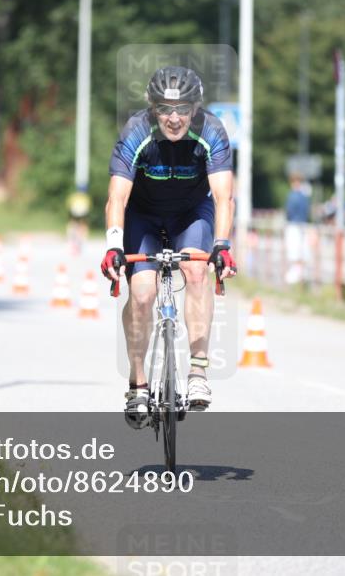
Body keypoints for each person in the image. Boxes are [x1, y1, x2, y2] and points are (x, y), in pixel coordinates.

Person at [101, 66, 236, 427]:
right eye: (164, 109)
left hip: (191, 213)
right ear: (152, 109)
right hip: (143, 215)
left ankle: (197, 373)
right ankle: (138, 383)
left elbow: (224, 198)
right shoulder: (136, 131)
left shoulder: (211, 130)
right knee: (142, 293)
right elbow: (117, 197)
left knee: (195, 269)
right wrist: (114, 245)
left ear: (195, 108)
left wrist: (221, 246)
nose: (173, 119)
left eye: (182, 109)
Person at [283, 174, 311, 284]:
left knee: (293, 250)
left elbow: (289, 211)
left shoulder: (292, 196)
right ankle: (301, 274)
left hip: (293, 225)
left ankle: (294, 276)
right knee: (302, 250)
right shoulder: (305, 196)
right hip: (303, 224)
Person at [66, 189, 91, 255]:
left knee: (74, 223)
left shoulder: (74, 196)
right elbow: (89, 206)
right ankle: (81, 239)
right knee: (82, 224)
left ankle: (74, 239)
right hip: (82, 212)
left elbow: (69, 205)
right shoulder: (85, 197)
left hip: (75, 211)